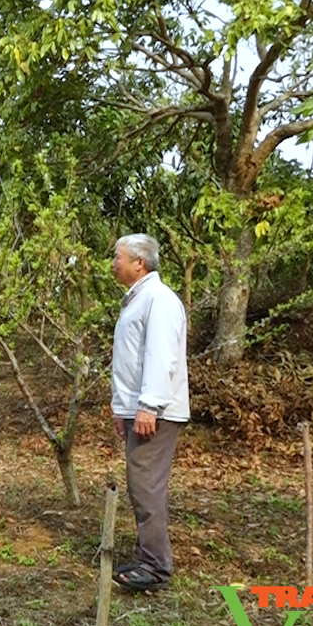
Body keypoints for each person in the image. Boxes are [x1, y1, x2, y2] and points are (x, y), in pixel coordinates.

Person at [109, 234, 189, 592]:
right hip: (141, 409)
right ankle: (148, 558)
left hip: (156, 410)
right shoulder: (139, 300)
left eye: (118, 257)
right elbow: (130, 362)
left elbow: (161, 355)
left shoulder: (159, 300)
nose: (113, 263)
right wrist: (121, 409)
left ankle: (156, 567)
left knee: (146, 486)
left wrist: (148, 406)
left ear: (139, 262)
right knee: (141, 485)